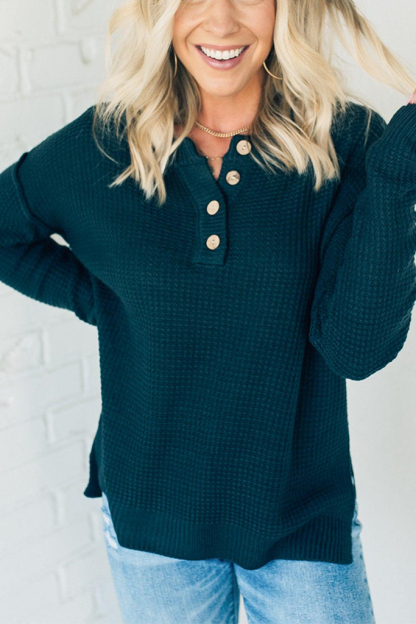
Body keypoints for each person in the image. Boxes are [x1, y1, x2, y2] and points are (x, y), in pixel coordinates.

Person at [1, 0, 416, 622]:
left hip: (299, 519)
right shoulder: (107, 143)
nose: (221, 21)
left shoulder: (346, 141)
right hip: (152, 519)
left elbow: (356, 351)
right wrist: (104, 298)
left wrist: (399, 174)